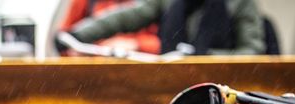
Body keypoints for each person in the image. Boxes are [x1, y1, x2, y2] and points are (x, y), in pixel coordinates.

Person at [64, 0, 266, 56]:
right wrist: (78, 34)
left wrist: (204, 56)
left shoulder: (239, 3)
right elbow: (127, 16)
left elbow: (252, 51)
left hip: (222, 96)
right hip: (173, 89)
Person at [57, 0, 161, 55]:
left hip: (142, 70)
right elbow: (64, 40)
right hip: (94, 74)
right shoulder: (84, 2)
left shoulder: (151, 5)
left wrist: (136, 45)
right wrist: (82, 49)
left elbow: (167, 44)